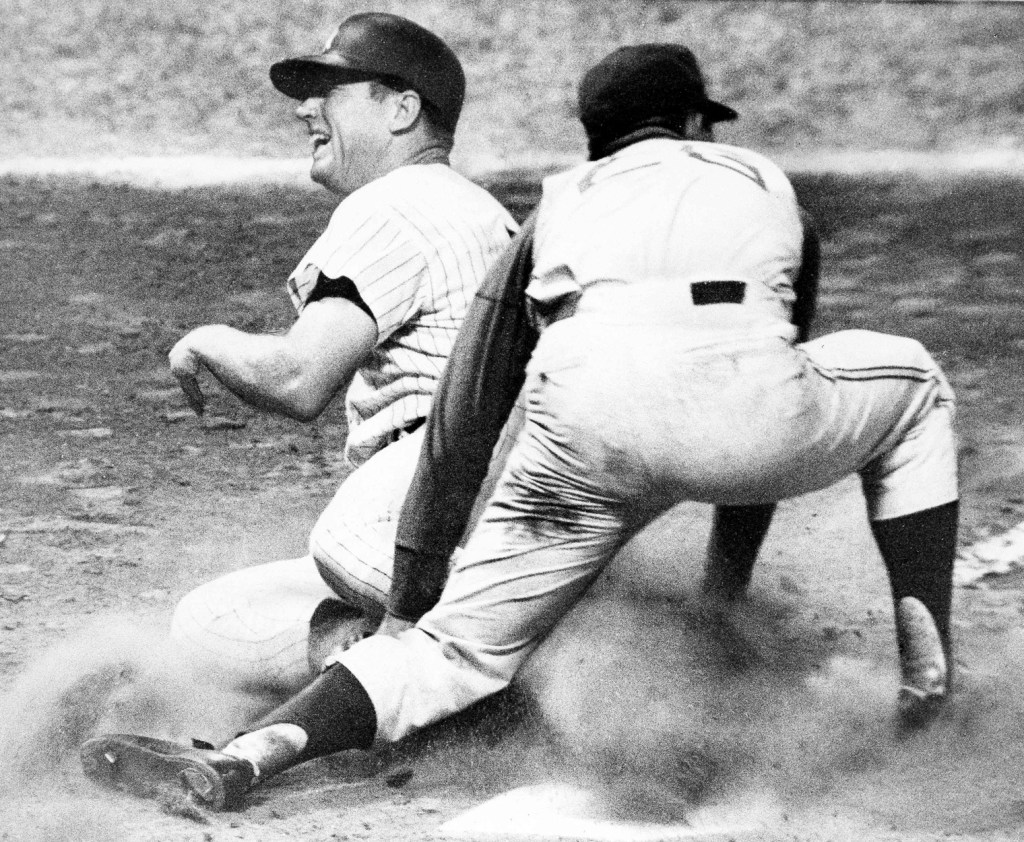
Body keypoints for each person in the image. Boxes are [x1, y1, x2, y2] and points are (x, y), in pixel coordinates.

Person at [81, 44, 957, 812]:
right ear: (694, 123)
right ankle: (925, 684)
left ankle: (247, 758)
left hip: (567, 437)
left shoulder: (559, 207)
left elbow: (466, 412)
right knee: (915, 383)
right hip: (750, 408)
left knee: (443, 648)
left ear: (595, 139)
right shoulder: (770, 190)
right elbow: (762, 375)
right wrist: (723, 596)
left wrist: (420, 594)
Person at [131, 13, 516, 698]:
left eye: (332, 89)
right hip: (512, 485)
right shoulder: (481, 209)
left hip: (445, 483)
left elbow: (299, 379)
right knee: (209, 619)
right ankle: (430, 666)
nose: (305, 107)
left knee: (341, 541)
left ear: (402, 110)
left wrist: (208, 338)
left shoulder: (392, 205)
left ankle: (508, 662)